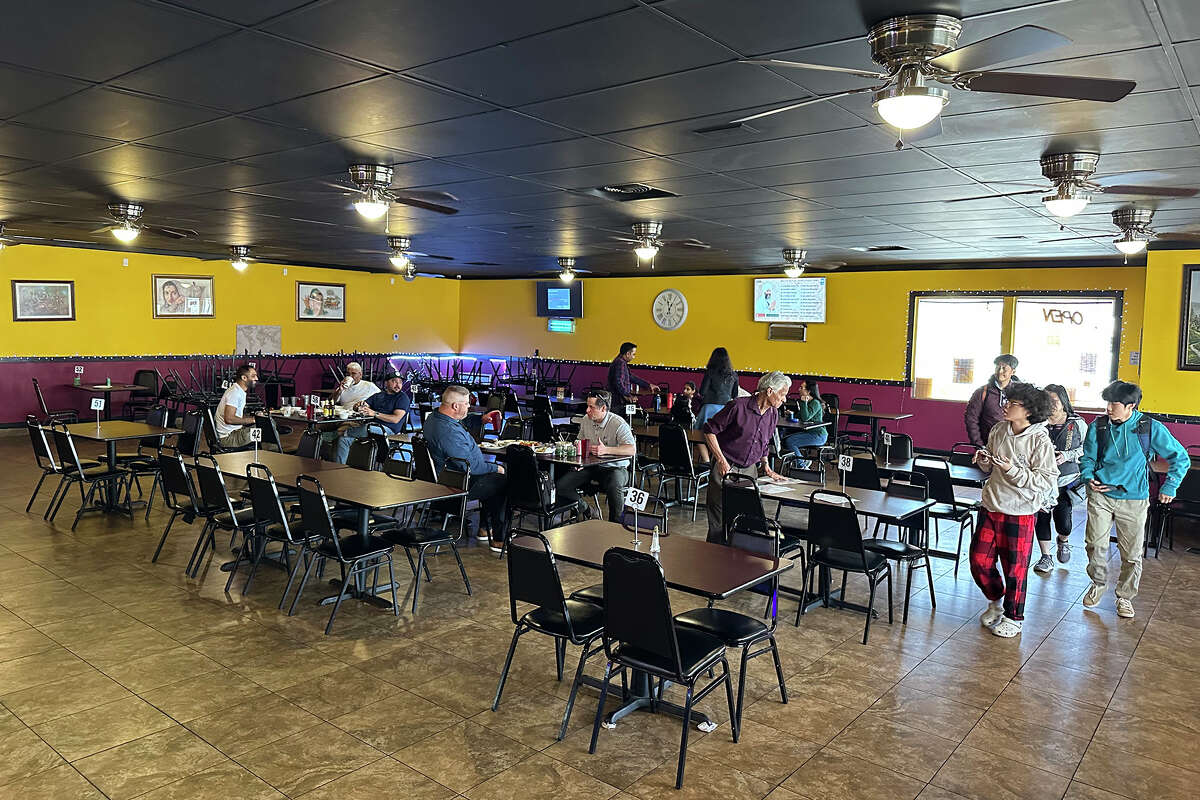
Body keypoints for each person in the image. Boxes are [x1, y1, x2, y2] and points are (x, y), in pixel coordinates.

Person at [1079, 380, 1189, 619]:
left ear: (1131, 406)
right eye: (1107, 402)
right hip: (1100, 494)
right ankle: (1098, 583)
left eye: (1114, 404)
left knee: (1131, 553)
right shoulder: (1098, 426)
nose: (1108, 408)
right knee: (1094, 544)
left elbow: (1181, 458)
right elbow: (1087, 458)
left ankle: (1125, 596)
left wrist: (1170, 486)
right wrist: (1088, 477)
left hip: (1134, 499)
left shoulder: (1149, 428)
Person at [970, 383, 1058, 639]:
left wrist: (1012, 470)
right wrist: (985, 460)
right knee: (979, 560)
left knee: (1015, 569)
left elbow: (1045, 480)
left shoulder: (1040, 440)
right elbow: (989, 467)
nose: (1005, 406)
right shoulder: (999, 429)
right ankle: (996, 601)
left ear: (1029, 411)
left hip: (1020, 511)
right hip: (991, 505)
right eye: (1007, 401)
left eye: (1012, 404)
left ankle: (1014, 617)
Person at [702, 371, 789, 543]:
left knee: (745, 518)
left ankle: (738, 560)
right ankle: (713, 558)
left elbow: (764, 441)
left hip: (750, 469)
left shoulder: (773, 414)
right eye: (782, 394)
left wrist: (766, 465)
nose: (784, 399)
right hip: (726, 465)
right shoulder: (737, 406)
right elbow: (709, 430)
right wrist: (720, 460)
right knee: (718, 519)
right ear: (770, 391)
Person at [423, 385, 508, 551]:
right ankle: (499, 538)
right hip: (455, 484)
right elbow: (471, 466)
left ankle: (484, 529)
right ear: (455, 406)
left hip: (444, 478)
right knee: (501, 481)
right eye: (467, 404)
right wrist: (496, 468)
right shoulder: (448, 432)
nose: (469, 406)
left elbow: (461, 420)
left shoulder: (434, 418)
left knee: (491, 482)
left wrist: (480, 419)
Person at [557, 390, 636, 521]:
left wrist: (606, 450)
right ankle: (587, 509)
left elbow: (631, 449)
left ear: (603, 408)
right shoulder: (585, 420)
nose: (587, 410)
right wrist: (578, 452)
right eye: (587, 406)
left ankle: (615, 524)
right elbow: (580, 441)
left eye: (591, 407)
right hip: (590, 466)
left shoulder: (618, 423)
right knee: (561, 486)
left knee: (615, 484)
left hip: (614, 468)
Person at [1032, 384, 1087, 573]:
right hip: (1041, 481)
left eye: (1054, 401)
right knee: (1042, 518)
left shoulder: (1077, 423)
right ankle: (1045, 556)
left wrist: (1067, 455)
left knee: (1063, 522)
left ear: (1064, 402)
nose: (1051, 405)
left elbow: (1086, 449)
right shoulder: (1037, 422)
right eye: (1047, 401)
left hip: (1066, 480)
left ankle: (1063, 540)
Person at [333, 372, 410, 463]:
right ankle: (339, 468)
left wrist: (374, 413)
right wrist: (359, 406)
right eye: (394, 381)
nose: (398, 385)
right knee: (343, 441)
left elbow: (395, 419)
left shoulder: (402, 397)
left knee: (363, 428)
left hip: (389, 430)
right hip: (371, 428)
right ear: (386, 383)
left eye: (400, 382)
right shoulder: (379, 395)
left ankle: (340, 433)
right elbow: (361, 406)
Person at [964, 354, 1020, 447]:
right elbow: (971, 419)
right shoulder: (982, 392)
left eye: (1004, 368)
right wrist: (978, 445)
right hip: (988, 445)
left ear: (1013, 372)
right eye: (998, 367)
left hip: (1013, 446)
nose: (1000, 371)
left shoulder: (1019, 393)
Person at [783, 378, 828, 467]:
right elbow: (799, 417)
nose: (798, 389)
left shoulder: (815, 403)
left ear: (809, 391)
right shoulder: (808, 402)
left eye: (801, 388)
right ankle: (802, 461)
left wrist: (804, 402)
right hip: (809, 433)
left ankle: (802, 465)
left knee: (790, 441)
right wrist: (791, 414)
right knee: (785, 440)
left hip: (818, 435)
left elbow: (806, 418)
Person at [214, 364, 259, 448]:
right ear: (244, 378)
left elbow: (236, 416)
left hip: (233, 433)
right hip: (228, 438)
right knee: (266, 428)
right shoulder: (235, 393)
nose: (256, 378)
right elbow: (229, 419)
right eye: (253, 376)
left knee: (265, 424)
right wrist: (253, 420)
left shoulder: (238, 390)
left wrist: (254, 418)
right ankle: (276, 455)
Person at [607, 342, 657, 413]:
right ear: (627, 354)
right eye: (633, 354)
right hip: (617, 402)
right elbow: (618, 382)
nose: (634, 357)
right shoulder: (620, 363)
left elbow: (630, 377)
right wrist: (627, 395)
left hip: (616, 400)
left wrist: (648, 385)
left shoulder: (620, 362)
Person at [697, 347, 737, 428]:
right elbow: (735, 394)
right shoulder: (734, 375)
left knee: (700, 433)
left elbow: (702, 392)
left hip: (709, 408)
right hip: (726, 409)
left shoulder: (710, 372)